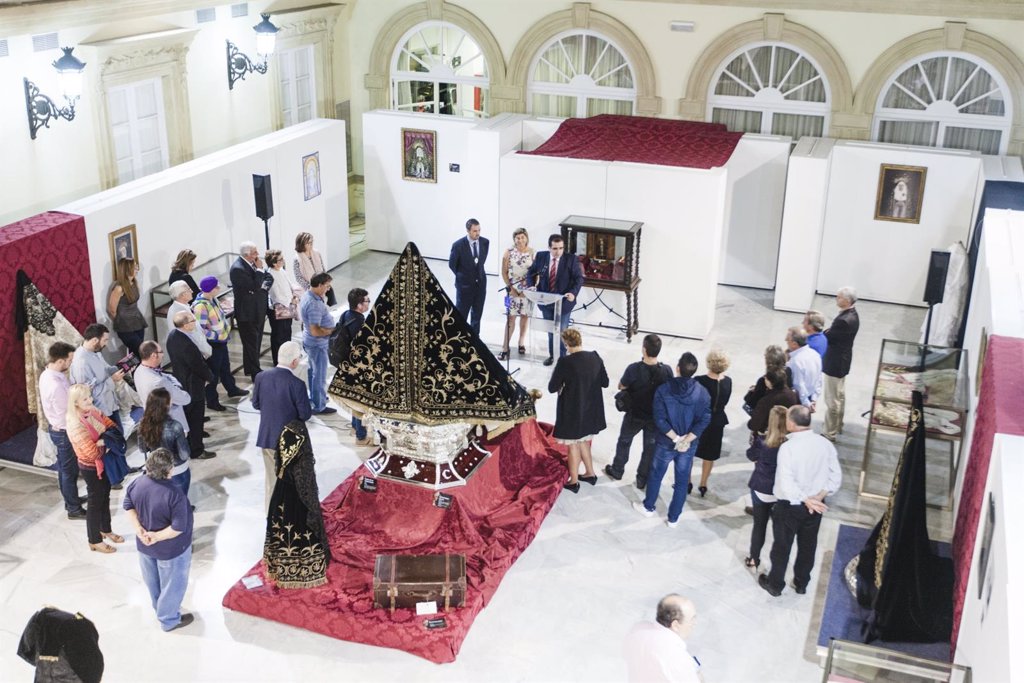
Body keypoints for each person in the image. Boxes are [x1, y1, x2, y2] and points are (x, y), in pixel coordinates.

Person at [759, 405, 842, 597]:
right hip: (815, 507)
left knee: (781, 547)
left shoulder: (788, 448)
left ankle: (775, 585)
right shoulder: (825, 444)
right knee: (808, 546)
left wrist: (807, 499)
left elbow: (786, 483)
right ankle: (802, 582)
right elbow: (835, 477)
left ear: (791, 423)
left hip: (790, 506)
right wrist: (819, 497)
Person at [633, 352, 711, 528]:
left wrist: (676, 438)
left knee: (656, 475)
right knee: (682, 481)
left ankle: (648, 507)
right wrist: (687, 440)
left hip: (666, 442)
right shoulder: (702, 392)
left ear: (677, 368)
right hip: (687, 446)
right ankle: (673, 518)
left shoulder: (664, 389)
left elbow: (659, 418)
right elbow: (705, 418)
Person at [123, 448, 195, 632]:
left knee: (153, 581)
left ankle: (160, 609)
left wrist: (138, 529)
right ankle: (169, 619)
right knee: (172, 584)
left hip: (145, 546)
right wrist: (156, 537)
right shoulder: (174, 493)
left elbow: (128, 506)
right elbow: (178, 528)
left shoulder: (137, 483)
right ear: (169, 470)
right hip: (170, 550)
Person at [264, 420, 331, 589]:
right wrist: (313, 509)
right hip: (296, 502)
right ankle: (303, 570)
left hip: (281, 496)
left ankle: (280, 568)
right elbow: (305, 485)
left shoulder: (286, 434)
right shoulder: (302, 447)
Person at [604, 333, 673, 490]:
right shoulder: (666, 371)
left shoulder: (634, 369)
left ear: (644, 349)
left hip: (634, 415)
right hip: (655, 418)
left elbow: (621, 386)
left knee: (624, 442)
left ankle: (617, 470)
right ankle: (642, 479)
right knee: (649, 450)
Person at [252, 341, 313, 511]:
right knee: (291, 481)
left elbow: (256, 404)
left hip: (268, 437)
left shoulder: (261, 377)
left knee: (272, 479)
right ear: (294, 362)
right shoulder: (296, 384)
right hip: (290, 441)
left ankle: (270, 515)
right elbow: (305, 414)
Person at [548, 328, 608, 493]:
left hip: (572, 411)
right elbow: (605, 382)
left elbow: (552, 387)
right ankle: (590, 473)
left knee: (573, 445)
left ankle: (573, 481)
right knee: (583, 441)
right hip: (591, 411)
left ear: (566, 344)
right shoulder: (595, 357)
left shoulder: (565, 362)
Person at [66, 384, 123, 554]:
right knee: (95, 502)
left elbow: (111, 426)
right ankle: (94, 540)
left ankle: (106, 529)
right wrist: (107, 443)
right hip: (91, 468)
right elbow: (92, 453)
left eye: (89, 396)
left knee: (105, 496)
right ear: (75, 403)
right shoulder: (75, 424)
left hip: (103, 462)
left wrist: (104, 439)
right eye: (85, 399)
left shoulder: (92, 410)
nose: (90, 400)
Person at [133, 341, 208, 458]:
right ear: (153, 355)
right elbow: (185, 398)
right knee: (178, 453)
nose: (163, 354)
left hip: (152, 417)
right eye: (161, 352)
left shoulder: (138, 371)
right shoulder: (159, 382)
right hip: (170, 417)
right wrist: (177, 385)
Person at [39, 342, 87, 519]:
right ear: (60, 361)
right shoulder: (55, 384)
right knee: (69, 471)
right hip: (65, 431)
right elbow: (66, 412)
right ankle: (73, 509)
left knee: (65, 470)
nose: (71, 363)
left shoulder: (50, 374)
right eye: (70, 360)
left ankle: (71, 500)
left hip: (60, 429)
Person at [525, 234, 584, 365]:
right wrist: (531, 286)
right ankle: (553, 356)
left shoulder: (571, 259)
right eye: (555, 248)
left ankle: (562, 359)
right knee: (551, 331)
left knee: (562, 331)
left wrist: (573, 293)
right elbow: (531, 273)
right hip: (545, 301)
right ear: (549, 248)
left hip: (563, 303)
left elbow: (579, 279)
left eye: (561, 248)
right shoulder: (541, 256)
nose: (558, 252)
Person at [193, 275, 248, 411]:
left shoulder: (213, 299)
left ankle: (232, 388)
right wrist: (216, 336)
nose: (218, 288)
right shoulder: (201, 306)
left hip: (221, 341)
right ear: (211, 289)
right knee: (213, 373)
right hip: (213, 343)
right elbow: (201, 329)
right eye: (217, 286)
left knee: (225, 367)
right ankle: (212, 400)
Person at [745, 405, 789, 571]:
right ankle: (777, 567)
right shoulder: (790, 445)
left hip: (761, 488)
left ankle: (754, 559)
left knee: (759, 526)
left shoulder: (762, 442)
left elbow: (750, 455)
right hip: (780, 492)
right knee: (780, 531)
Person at [166, 311, 215, 459]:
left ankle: (190, 442)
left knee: (189, 417)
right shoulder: (186, 344)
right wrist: (210, 377)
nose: (196, 323)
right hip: (193, 385)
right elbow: (197, 365)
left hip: (183, 382)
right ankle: (197, 449)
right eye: (193, 321)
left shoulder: (173, 336)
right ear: (186, 325)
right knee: (195, 418)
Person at [623, 594, 701, 683]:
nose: (694, 624)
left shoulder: (638, 628)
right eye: (692, 620)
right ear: (675, 625)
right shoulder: (678, 658)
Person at [69, 323, 126, 432]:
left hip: (110, 403)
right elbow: (87, 393)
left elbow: (106, 369)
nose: (106, 343)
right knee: (115, 443)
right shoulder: (81, 363)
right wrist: (112, 379)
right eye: (105, 340)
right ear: (95, 340)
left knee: (119, 436)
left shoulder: (95, 351)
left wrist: (121, 367)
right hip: (100, 410)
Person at [230, 241, 273, 382]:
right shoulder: (238, 269)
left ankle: (250, 367)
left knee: (256, 341)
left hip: (258, 310)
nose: (258, 254)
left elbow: (268, 278)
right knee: (251, 343)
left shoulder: (253, 263)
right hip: (247, 313)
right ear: (247, 254)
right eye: (255, 252)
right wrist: (260, 272)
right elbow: (253, 286)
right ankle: (256, 372)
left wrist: (261, 287)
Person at [334, 288, 372, 445]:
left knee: (353, 396)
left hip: (345, 362)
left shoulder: (346, 314)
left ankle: (355, 428)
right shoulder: (358, 322)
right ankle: (361, 436)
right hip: (356, 365)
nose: (369, 303)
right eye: (367, 301)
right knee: (359, 400)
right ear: (359, 305)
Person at [822, 287, 860, 442]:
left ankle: (829, 432)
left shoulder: (844, 321)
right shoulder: (852, 315)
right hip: (842, 360)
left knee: (832, 399)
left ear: (847, 300)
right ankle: (838, 425)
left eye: (839, 297)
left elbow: (829, 335)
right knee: (840, 395)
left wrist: (826, 332)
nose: (836, 299)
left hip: (835, 362)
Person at [692, 349, 732, 498]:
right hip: (718, 421)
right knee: (709, 455)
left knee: (690, 452)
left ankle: (687, 481)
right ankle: (703, 484)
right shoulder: (728, 381)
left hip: (701, 420)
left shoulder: (699, 380)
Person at [137, 388, 191, 496]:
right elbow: (184, 455)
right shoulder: (175, 426)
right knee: (180, 500)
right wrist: (183, 438)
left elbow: (142, 449)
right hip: (177, 469)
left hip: (156, 469)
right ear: (165, 405)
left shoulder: (143, 424)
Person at [300, 272, 337, 416]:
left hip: (310, 342)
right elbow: (315, 331)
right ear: (319, 285)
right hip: (317, 344)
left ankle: (315, 398)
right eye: (327, 286)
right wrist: (333, 331)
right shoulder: (314, 304)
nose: (328, 289)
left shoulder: (309, 295)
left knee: (313, 372)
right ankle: (319, 406)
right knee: (319, 376)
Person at [448, 218, 489, 336]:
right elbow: (452, 265)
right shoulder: (458, 245)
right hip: (465, 286)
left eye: (479, 230)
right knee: (461, 315)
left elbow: (481, 262)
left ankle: (475, 338)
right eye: (475, 231)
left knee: (477, 314)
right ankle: (458, 337)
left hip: (480, 285)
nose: (478, 233)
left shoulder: (485, 242)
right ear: (468, 231)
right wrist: (463, 277)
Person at [498, 227, 534, 360]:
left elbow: (535, 273)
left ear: (526, 238)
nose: (520, 240)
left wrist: (529, 288)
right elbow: (504, 272)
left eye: (522, 237)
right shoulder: (508, 252)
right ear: (514, 239)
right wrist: (511, 288)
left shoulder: (532, 252)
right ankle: (505, 347)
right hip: (512, 290)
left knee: (524, 317)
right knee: (510, 319)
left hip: (527, 291)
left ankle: (521, 342)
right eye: (517, 238)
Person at [107, 257, 148, 358]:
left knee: (135, 354)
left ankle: (136, 373)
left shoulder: (134, 283)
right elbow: (112, 310)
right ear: (127, 269)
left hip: (137, 322)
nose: (137, 269)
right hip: (125, 327)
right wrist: (121, 320)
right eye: (134, 267)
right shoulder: (119, 288)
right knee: (142, 352)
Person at [266, 249, 301, 365]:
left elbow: (289, 284)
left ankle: (288, 356)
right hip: (279, 308)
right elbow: (275, 294)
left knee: (287, 332)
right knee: (279, 336)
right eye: (281, 259)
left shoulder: (281, 270)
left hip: (288, 305)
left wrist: (294, 295)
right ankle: (278, 360)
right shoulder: (270, 274)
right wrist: (290, 300)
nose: (283, 260)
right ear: (274, 263)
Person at [746, 368, 799, 435]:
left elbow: (754, 424)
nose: (764, 379)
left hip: (769, 436)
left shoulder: (766, 400)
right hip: (787, 432)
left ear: (770, 382)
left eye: (766, 378)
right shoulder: (793, 394)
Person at [743, 345, 793, 414]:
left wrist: (750, 393)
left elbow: (752, 402)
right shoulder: (788, 371)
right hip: (785, 408)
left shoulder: (764, 380)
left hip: (769, 412)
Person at [167, 281, 210, 359]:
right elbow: (193, 335)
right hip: (193, 355)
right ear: (183, 295)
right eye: (189, 289)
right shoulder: (180, 312)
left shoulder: (182, 307)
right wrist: (207, 352)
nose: (192, 291)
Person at [293, 232, 335, 307]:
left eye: (312, 242)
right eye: (308, 243)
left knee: (322, 306)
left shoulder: (316, 253)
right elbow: (298, 277)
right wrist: (311, 287)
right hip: (309, 289)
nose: (311, 245)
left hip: (321, 285)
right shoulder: (297, 258)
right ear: (302, 244)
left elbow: (322, 268)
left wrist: (325, 282)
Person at [785, 327, 821, 410]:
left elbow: (799, 386)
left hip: (800, 402)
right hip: (809, 399)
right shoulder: (816, 355)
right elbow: (819, 379)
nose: (786, 341)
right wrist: (813, 399)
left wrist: (807, 404)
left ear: (794, 344)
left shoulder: (796, 361)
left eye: (787, 340)